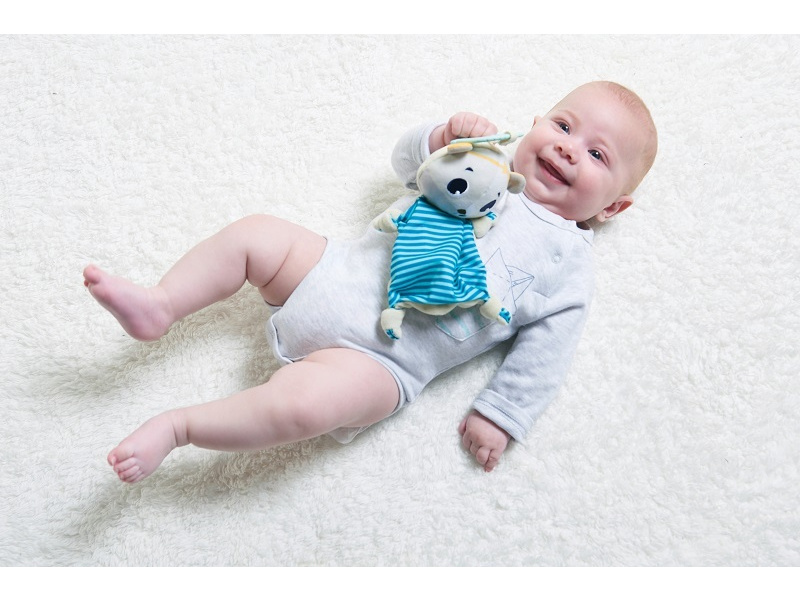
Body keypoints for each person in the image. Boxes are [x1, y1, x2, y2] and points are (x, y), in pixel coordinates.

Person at [84, 81, 658, 483]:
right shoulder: (486, 160)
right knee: (256, 234)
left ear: (614, 207)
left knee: (303, 407)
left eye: (597, 154)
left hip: (381, 363)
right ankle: (162, 303)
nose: (567, 148)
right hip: (330, 271)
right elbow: (405, 165)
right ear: (534, 125)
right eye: (563, 126)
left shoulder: (569, 263)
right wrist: (441, 137)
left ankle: (179, 428)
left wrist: (501, 413)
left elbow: (549, 352)